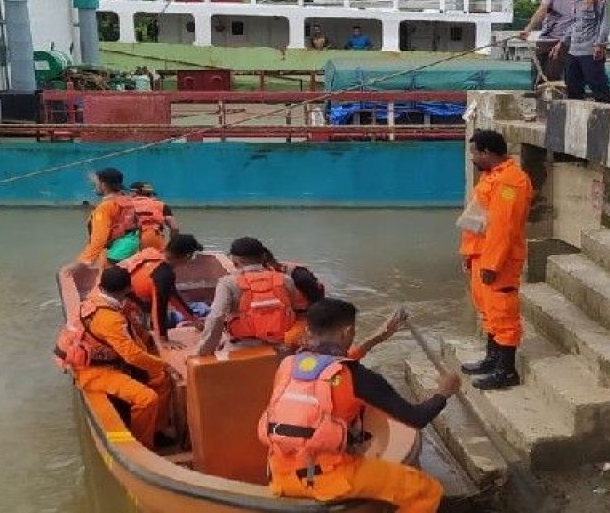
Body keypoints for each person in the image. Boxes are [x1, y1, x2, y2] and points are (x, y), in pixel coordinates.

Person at [259, 298, 460, 511]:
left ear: (308, 330)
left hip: (278, 473)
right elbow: (417, 418)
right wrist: (443, 393)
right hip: (324, 478)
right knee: (427, 490)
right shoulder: (358, 377)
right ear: (347, 332)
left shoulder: (287, 365)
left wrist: (379, 337)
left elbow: (331, 366)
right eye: (353, 332)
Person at [53, 266, 172, 449]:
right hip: (94, 371)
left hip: (105, 361)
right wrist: (164, 364)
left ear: (101, 286)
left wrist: (157, 367)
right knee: (147, 398)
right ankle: (143, 445)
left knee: (160, 380)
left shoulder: (94, 300)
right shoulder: (111, 319)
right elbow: (132, 356)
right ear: (128, 288)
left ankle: (156, 430)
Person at [457, 129, 533, 390]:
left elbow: (504, 228)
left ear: (487, 152)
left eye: (475, 153)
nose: (472, 158)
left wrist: (492, 265)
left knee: (502, 314)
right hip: (482, 255)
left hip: (499, 261)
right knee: (488, 311)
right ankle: (492, 360)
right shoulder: (493, 176)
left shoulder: (511, 183)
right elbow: (479, 221)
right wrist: (469, 254)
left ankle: (506, 371)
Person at [194, 237, 299, 357]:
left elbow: (216, 317)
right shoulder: (285, 279)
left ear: (234, 259)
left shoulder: (228, 282)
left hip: (242, 347)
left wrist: (204, 350)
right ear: (264, 257)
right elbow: (293, 308)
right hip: (280, 346)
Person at [548, 0, 610, 103]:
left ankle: (608, 115)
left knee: (599, 88)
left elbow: (605, 21)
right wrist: (562, 42)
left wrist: (600, 44)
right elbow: (575, 23)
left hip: (590, 50)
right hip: (573, 50)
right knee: (573, 89)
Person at [120, 233, 204, 339]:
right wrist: (163, 338)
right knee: (201, 308)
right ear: (188, 256)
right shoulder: (164, 274)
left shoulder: (150, 252)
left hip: (123, 297)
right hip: (131, 308)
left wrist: (194, 320)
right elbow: (159, 308)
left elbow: (172, 295)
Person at [517, 0, 581, 87]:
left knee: (553, 77)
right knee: (538, 77)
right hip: (545, 40)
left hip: (565, 42)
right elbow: (541, 11)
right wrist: (528, 29)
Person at [76, 167, 141, 267]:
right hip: (133, 252)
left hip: (114, 255)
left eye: (96, 183)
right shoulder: (129, 201)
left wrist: (82, 263)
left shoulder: (105, 207)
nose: (95, 186)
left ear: (103, 185)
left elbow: (99, 239)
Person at [129, 181, 178, 251]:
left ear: (134, 192)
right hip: (153, 236)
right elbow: (174, 228)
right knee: (155, 257)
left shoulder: (126, 205)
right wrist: (172, 244)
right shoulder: (161, 205)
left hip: (131, 237)